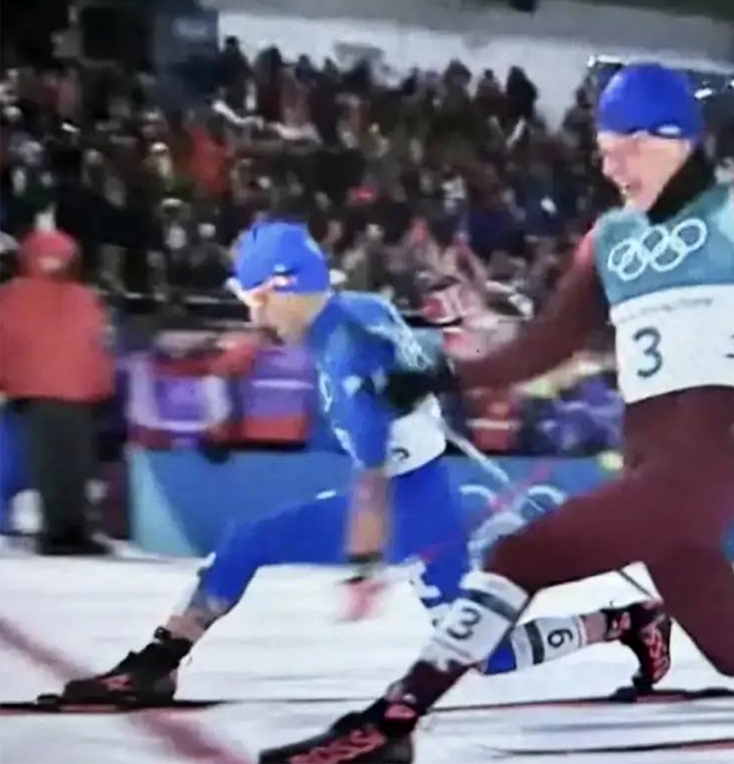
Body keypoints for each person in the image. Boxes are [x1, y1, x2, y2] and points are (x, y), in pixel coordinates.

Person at [259, 0, 734, 763]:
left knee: (518, 558)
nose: (613, 168)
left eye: (626, 150)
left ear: (674, 137)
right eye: (604, 153)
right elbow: (547, 343)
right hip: (654, 475)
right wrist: (443, 374)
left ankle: (389, 727)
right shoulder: (610, 239)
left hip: (698, 470)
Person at [50, 220, 670, 708]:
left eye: (257, 299)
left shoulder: (346, 362)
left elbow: (371, 479)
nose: (253, 316)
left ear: (287, 287)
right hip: (420, 488)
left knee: (483, 653)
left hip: (413, 507)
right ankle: (159, 664)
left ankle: (628, 622)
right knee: (251, 543)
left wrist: (364, 568)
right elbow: (412, 350)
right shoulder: (360, 310)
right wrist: (423, 373)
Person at [0, 228, 114, 555]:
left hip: (39, 391)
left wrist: (6, 382)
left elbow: (6, 343)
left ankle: (60, 532)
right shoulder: (85, 298)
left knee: (51, 464)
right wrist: (101, 386)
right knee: (73, 464)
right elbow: (98, 345)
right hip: (75, 393)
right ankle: (70, 531)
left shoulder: (13, 296)